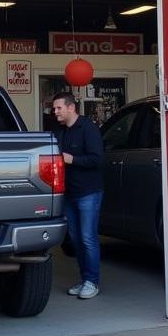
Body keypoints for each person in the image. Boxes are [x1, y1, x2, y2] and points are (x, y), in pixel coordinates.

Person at [51, 91, 105, 299]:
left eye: (58, 108)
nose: (55, 112)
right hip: (68, 193)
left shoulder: (88, 129)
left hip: (88, 192)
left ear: (71, 107)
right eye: (54, 108)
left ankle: (92, 282)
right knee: (74, 239)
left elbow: (97, 160)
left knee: (88, 237)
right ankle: (85, 280)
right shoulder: (60, 131)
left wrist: (71, 159)